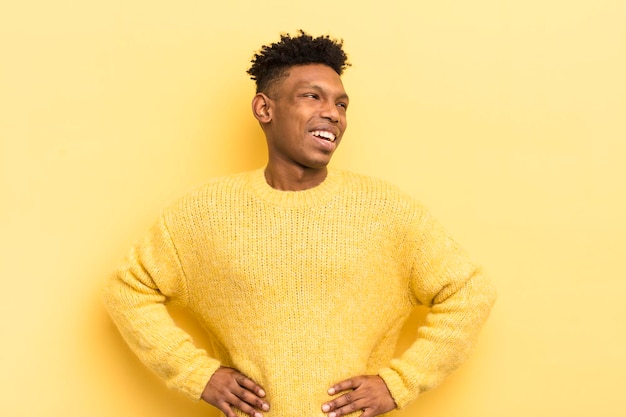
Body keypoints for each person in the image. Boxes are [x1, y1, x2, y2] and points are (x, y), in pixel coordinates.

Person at [103, 31, 496, 417]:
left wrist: (400, 383)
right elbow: (128, 289)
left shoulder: (387, 210)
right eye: (312, 97)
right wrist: (196, 374)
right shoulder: (203, 212)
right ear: (264, 109)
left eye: (341, 104)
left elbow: (469, 292)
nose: (333, 113)